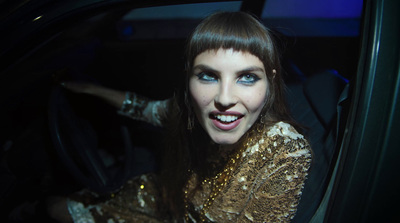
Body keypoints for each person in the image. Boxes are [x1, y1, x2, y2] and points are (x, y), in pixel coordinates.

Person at [48, 11, 312, 222]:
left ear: (270, 84)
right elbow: (144, 108)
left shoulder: (285, 150)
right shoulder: (186, 111)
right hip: (166, 201)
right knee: (59, 207)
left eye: (247, 77)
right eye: (208, 76)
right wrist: (92, 89)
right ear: (189, 79)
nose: (224, 98)